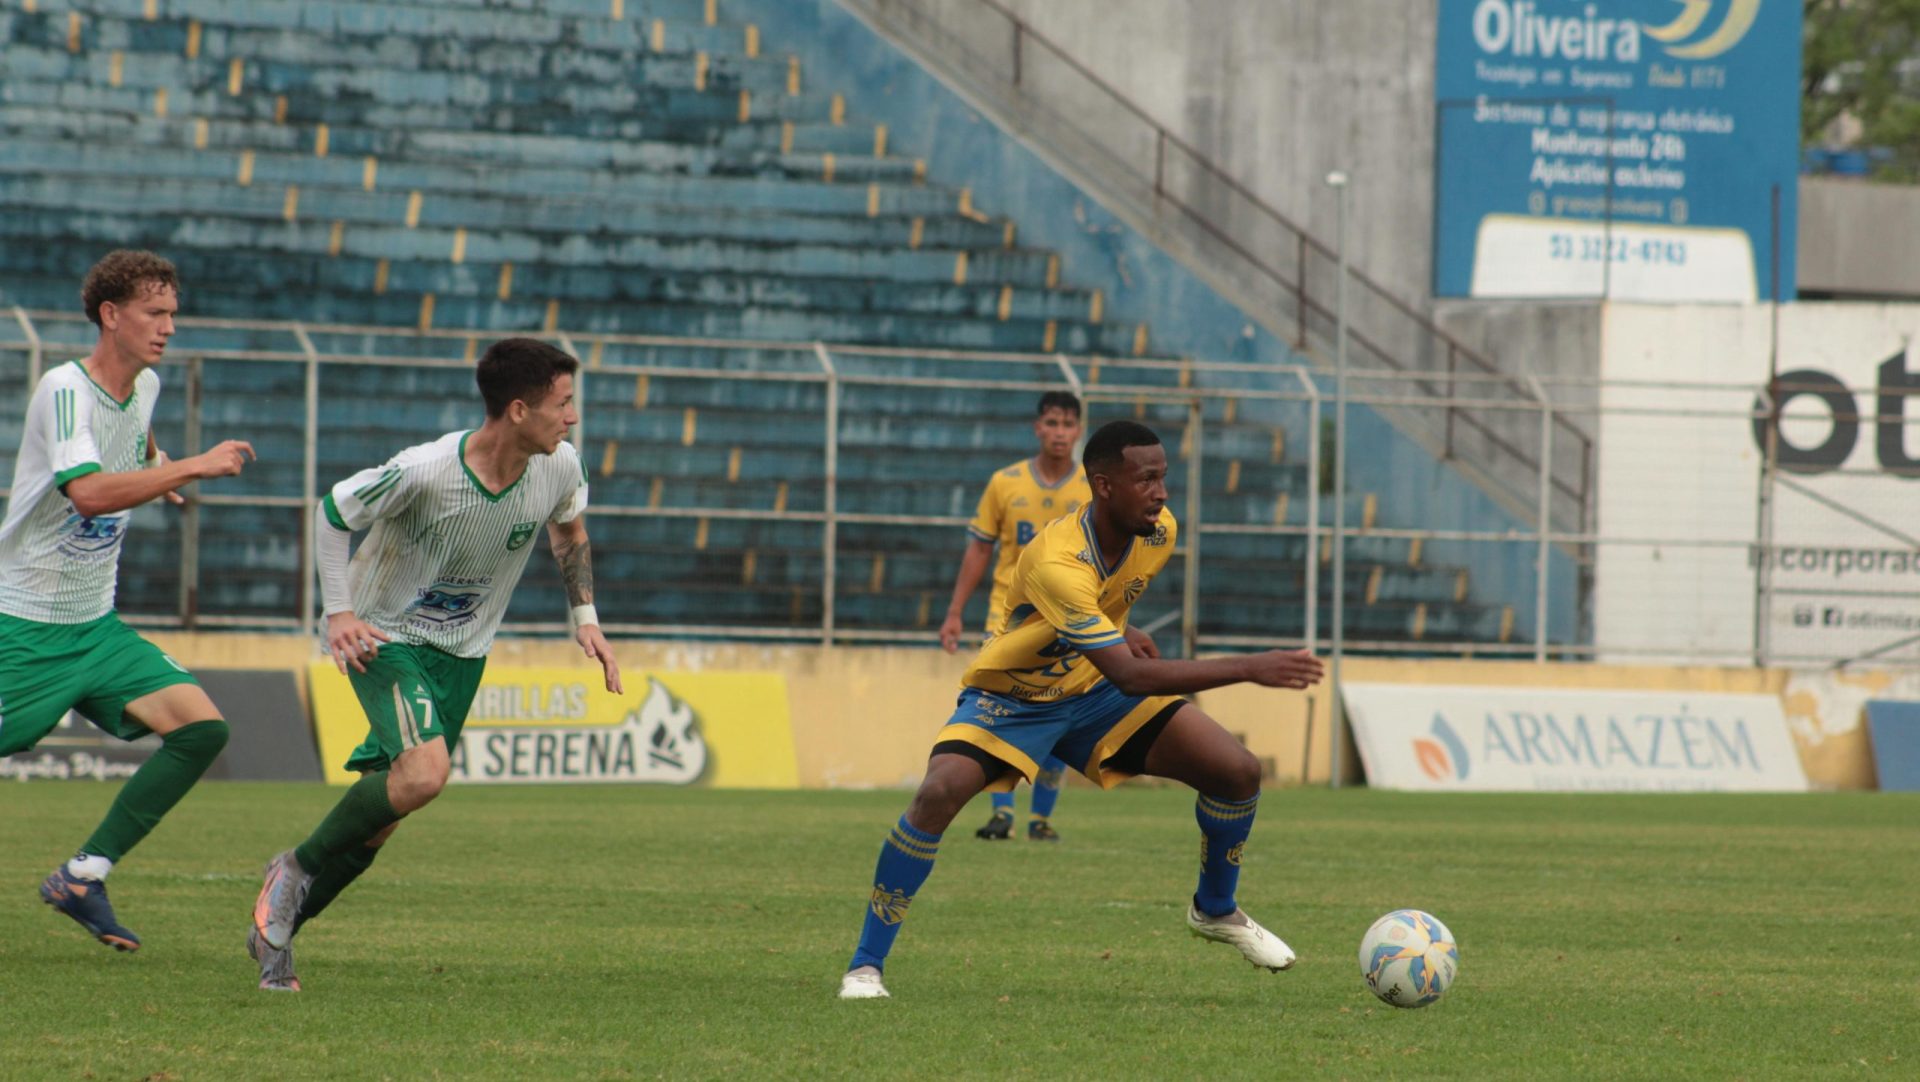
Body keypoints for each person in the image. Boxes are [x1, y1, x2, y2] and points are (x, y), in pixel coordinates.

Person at [839, 420, 1325, 1000]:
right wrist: (1250, 666)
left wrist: (1122, 627)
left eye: (1163, 477)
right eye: (1146, 479)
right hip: (1013, 699)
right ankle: (865, 966)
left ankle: (1215, 909)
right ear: (1103, 485)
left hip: (1093, 693)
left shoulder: (1158, 531)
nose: (1161, 492)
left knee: (1237, 771)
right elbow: (1129, 671)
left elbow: (1104, 610)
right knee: (938, 793)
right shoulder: (1055, 559)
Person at [248, 337, 621, 991]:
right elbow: (333, 511)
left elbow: (569, 534)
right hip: (383, 635)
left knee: (382, 821)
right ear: (516, 410)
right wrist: (339, 614)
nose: (573, 418)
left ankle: (275, 936)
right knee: (424, 775)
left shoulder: (561, 467)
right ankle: (295, 866)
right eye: (562, 404)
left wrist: (585, 620)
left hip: (463, 653)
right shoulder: (425, 470)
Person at [0, 250, 254, 951]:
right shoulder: (64, 388)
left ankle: (83, 876)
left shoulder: (145, 387)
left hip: (97, 629)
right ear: (111, 316)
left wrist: (156, 468)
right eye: (154, 312)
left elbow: (135, 439)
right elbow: (83, 489)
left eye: (172, 312)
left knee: (202, 730)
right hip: (25, 626)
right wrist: (192, 467)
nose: (168, 326)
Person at [938, 391, 1090, 843]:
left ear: (1078, 430)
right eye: (1051, 423)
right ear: (1037, 428)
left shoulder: (1090, 487)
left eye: (1067, 424)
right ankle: (1001, 812)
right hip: (1007, 618)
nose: (1059, 432)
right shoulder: (1004, 482)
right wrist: (954, 612)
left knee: (1062, 710)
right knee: (994, 709)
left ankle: (1040, 819)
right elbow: (980, 548)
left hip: (1068, 619)